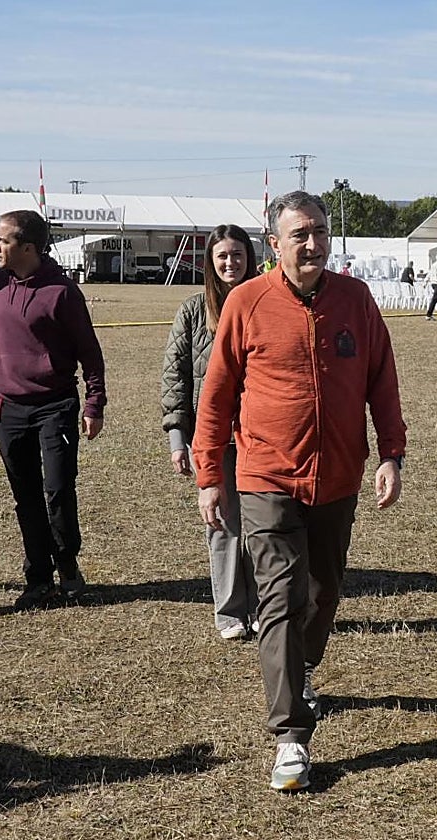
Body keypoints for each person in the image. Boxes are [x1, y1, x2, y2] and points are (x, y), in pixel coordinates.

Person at [192, 191, 406, 792]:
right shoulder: (247, 302)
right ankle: (290, 735)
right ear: (275, 243)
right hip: (266, 476)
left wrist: (391, 452)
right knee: (280, 598)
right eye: (299, 235)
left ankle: (303, 665)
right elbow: (216, 395)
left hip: (337, 476)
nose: (312, 244)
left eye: (319, 232)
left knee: (322, 591)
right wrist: (210, 475)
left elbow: (382, 379)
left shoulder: (355, 300)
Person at [0, 210, 106, 611]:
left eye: (3, 240)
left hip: (55, 405)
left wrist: (94, 404)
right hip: (8, 407)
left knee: (58, 490)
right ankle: (38, 578)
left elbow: (89, 352)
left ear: (28, 248)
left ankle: (67, 565)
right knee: (27, 496)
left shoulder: (63, 292)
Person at [162, 225, 260, 640]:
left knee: (262, 523)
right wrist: (177, 437)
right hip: (213, 436)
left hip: (260, 435)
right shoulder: (192, 311)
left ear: (249, 258)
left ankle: (261, 607)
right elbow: (176, 375)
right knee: (222, 521)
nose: (230, 262)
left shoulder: (265, 303)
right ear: (210, 262)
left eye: (237, 254)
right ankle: (230, 612)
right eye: (222, 256)